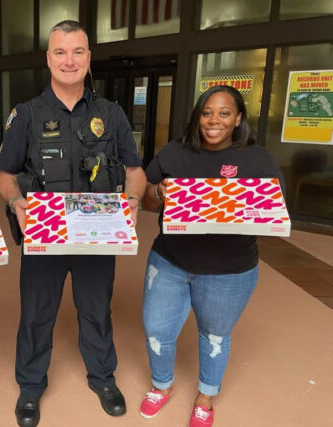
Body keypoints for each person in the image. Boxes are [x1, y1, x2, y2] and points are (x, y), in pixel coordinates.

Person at [0, 20, 146, 427]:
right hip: (44, 236)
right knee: (36, 312)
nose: (69, 60)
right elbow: (5, 176)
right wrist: (18, 203)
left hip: (96, 235)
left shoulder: (110, 115)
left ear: (88, 58)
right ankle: (30, 388)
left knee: (96, 310)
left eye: (78, 51)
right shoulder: (26, 115)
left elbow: (135, 170)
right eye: (60, 52)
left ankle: (103, 377)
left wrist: (133, 199)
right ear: (48, 58)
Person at [139, 85, 285, 426]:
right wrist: (160, 190)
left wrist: (244, 207)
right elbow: (147, 199)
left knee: (215, 335)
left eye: (224, 113)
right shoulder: (176, 152)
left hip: (229, 270)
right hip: (170, 261)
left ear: (238, 119)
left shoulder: (257, 159)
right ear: (197, 117)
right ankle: (161, 386)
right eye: (207, 113)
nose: (214, 121)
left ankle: (206, 397)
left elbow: (276, 210)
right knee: (156, 328)